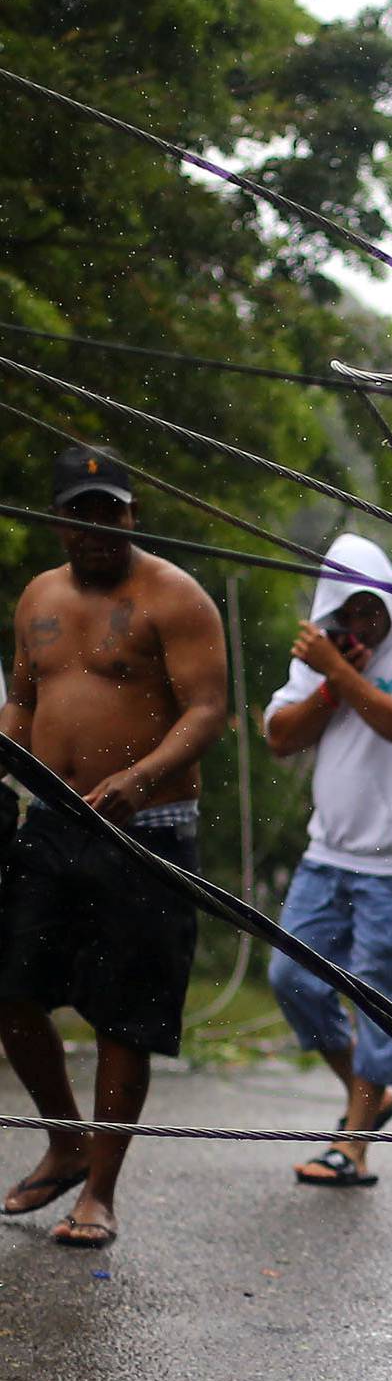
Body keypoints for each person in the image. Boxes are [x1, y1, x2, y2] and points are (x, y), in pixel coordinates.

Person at [0, 443, 229, 1248]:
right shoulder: (38, 597)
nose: (97, 528)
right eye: (81, 514)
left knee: (125, 1015)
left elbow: (207, 710)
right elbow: (22, 703)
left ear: (133, 515)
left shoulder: (176, 596)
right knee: (11, 988)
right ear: (58, 520)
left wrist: (143, 776)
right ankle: (64, 1141)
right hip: (52, 825)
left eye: (112, 513)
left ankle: (100, 1190)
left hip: (147, 831)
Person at [264, 530, 392, 1187]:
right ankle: (368, 1092)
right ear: (331, 614)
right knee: (291, 979)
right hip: (329, 851)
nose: (363, 626)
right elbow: (279, 737)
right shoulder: (324, 655)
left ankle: (352, 1144)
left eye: (372, 612)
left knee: (381, 1003)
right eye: (348, 615)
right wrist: (326, 683)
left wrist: (340, 671)